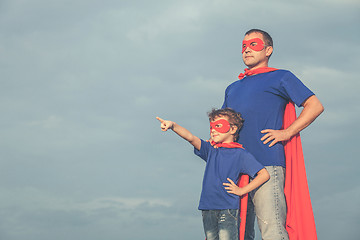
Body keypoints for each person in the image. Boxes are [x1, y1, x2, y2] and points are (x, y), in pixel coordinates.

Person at [221, 29, 324, 240]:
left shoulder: (281, 77)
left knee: (272, 230)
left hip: (267, 164)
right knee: (236, 234)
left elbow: (314, 105)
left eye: (254, 44)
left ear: (268, 50)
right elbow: (223, 128)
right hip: (236, 169)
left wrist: (287, 132)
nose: (247, 49)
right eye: (244, 45)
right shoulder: (232, 88)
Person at [156, 108, 270, 240]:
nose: (213, 130)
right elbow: (190, 138)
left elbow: (263, 174)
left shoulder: (241, 154)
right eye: (211, 127)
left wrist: (242, 190)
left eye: (218, 126)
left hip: (227, 208)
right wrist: (173, 126)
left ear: (233, 129)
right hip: (207, 207)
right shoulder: (211, 150)